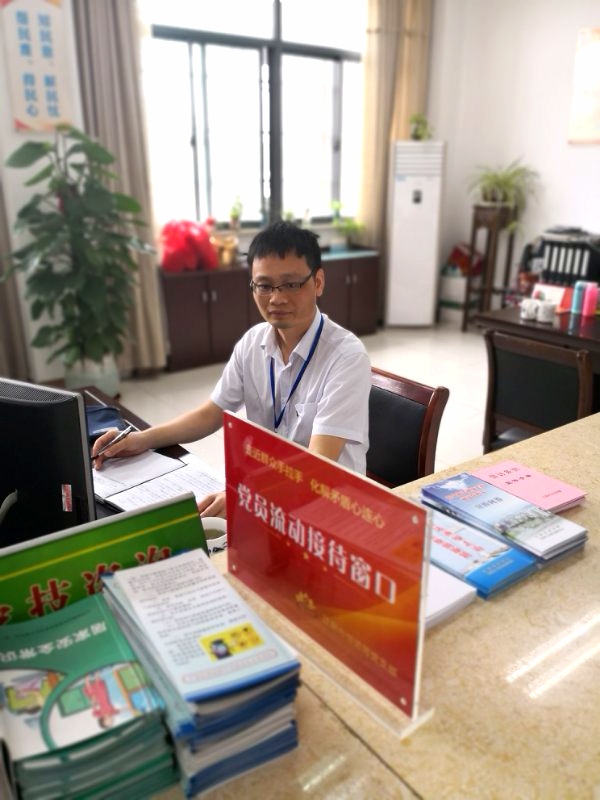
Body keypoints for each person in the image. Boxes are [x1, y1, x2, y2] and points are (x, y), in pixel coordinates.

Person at [93, 221, 371, 518]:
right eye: (264, 286)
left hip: (328, 507)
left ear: (318, 282)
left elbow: (317, 465)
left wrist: (245, 495)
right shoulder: (253, 343)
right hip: (269, 494)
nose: (276, 298)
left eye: (291, 284)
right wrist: (142, 439)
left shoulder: (346, 357)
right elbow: (210, 414)